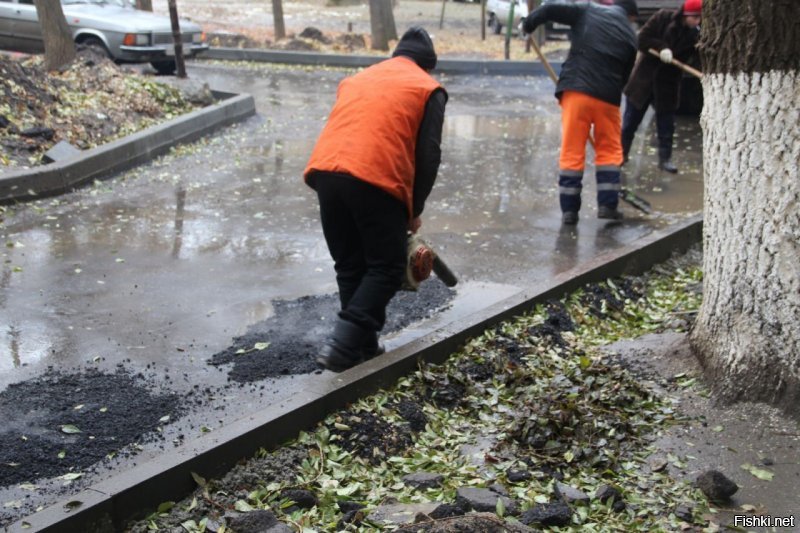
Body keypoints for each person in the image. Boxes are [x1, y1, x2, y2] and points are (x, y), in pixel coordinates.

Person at [304, 27, 448, 372]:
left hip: (325, 172)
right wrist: (414, 209)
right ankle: (341, 345)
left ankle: (363, 347)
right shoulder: (428, 88)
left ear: (396, 56)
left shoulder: (359, 79)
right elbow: (428, 156)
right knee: (387, 266)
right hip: (373, 176)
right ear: (428, 65)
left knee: (350, 264)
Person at [522, 0, 639, 225]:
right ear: (630, 15)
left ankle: (569, 211)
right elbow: (626, 75)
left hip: (577, 93)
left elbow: (550, 8)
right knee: (609, 152)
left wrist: (528, 24)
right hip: (609, 98)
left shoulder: (587, 10)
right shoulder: (630, 34)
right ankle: (607, 205)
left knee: (572, 150)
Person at [621, 0, 702, 173]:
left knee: (666, 125)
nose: (697, 22)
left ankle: (665, 159)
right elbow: (642, 39)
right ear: (686, 15)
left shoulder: (694, 34)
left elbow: (693, 55)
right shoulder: (663, 18)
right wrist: (662, 48)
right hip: (644, 80)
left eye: (699, 18)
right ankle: (621, 154)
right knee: (630, 122)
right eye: (695, 18)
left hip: (668, 84)